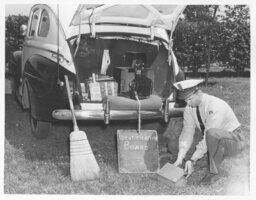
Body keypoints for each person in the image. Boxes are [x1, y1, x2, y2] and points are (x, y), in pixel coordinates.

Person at [172, 79, 245, 185]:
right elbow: (187, 132)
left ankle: (215, 173)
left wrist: (193, 159)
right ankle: (191, 161)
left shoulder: (214, 105)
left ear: (199, 93)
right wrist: (180, 157)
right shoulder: (189, 108)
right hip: (212, 139)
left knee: (211, 134)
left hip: (234, 141)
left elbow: (208, 135)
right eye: (185, 100)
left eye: (190, 99)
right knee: (173, 145)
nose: (188, 103)